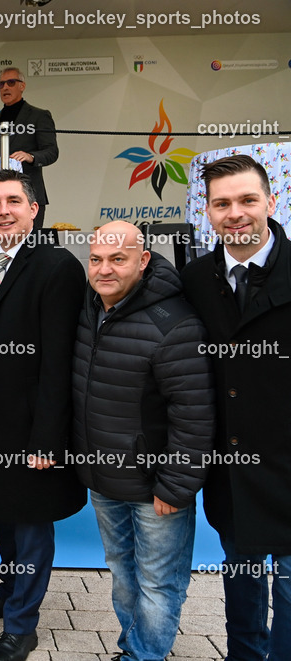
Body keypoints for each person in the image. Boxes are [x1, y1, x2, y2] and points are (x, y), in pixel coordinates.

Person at [72, 221, 214, 661]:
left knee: (158, 582)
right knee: (123, 575)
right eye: (96, 259)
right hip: (104, 479)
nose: (105, 269)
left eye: (118, 259)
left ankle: (141, 655)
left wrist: (175, 486)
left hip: (155, 487)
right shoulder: (92, 308)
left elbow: (194, 414)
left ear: (143, 260)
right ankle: (135, 648)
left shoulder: (175, 324)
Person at [0, 170, 85, 661]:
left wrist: (48, 439)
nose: (3, 210)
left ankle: (22, 625)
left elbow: (60, 361)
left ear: (33, 209)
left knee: (33, 524)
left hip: (35, 425)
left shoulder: (58, 266)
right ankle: (9, 591)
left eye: (14, 201)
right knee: (3, 517)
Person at [181, 154, 291, 661]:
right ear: (207, 211)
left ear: (271, 201)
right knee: (242, 578)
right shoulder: (197, 278)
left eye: (248, 200)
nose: (236, 213)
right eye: (222, 203)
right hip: (231, 468)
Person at [0, 67, 58, 229]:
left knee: (30, 248)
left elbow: (51, 152)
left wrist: (31, 156)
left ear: (22, 86)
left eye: (11, 82)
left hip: (29, 195)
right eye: (1, 84)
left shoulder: (39, 116)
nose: (5, 87)